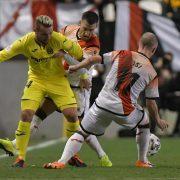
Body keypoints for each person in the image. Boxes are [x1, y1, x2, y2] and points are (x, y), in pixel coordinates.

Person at [0, 12, 112, 167]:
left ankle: (102, 156)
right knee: (37, 115)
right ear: (80, 23)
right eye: (86, 29)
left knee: (78, 124)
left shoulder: (93, 44)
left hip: (78, 86)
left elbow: (84, 63)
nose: (88, 33)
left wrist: (70, 61)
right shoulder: (67, 30)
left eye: (92, 30)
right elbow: (52, 47)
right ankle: (17, 150)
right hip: (61, 79)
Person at [43, 32, 169, 169]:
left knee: (81, 133)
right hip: (124, 111)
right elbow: (150, 102)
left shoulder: (121, 53)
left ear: (139, 44)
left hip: (101, 105)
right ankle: (142, 161)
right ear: (154, 49)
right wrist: (157, 119)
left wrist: (76, 67)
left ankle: (61, 162)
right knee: (144, 121)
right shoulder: (152, 73)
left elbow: (92, 60)